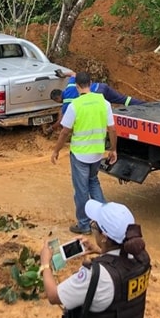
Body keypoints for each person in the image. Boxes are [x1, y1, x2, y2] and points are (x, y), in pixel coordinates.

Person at [39, 199, 151, 318]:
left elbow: (53, 295)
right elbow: (121, 266)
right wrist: (100, 250)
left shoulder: (97, 276)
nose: (93, 229)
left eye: (94, 226)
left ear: (104, 236)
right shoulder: (140, 257)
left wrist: (45, 264)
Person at [51, 72, 117, 234]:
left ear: (77, 86)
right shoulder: (104, 102)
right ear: (91, 83)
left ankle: (84, 225)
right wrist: (113, 149)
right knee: (93, 182)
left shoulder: (75, 105)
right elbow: (112, 129)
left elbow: (65, 132)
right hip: (97, 153)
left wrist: (56, 150)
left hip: (80, 154)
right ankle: (105, 221)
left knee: (81, 190)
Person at [50, 70, 144, 128]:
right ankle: (144, 104)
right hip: (102, 86)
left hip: (97, 94)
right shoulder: (69, 85)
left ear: (58, 98)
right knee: (123, 99)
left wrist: (51, 128)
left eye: (56, 101)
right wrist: (63, 74)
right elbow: (73, 74)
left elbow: (61, 121)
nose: (58, 102)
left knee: (97, 116)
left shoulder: (67, 103)